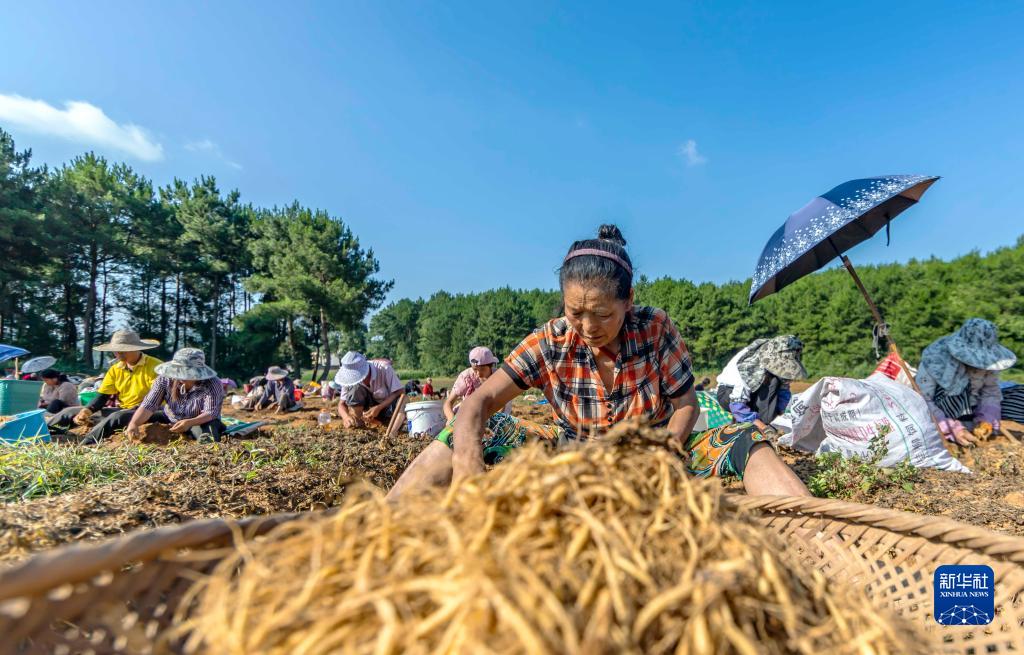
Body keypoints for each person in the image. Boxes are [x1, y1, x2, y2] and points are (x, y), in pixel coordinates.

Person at [389, 225, 809, 500]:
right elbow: (479, 402)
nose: (588, 327)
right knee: (478, 428)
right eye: (576, 312)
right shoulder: (550, 341)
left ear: (628, 301)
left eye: (603, 314)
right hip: (573, 455)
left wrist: (662, 452)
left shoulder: (655, 329)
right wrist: (467, 461)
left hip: (652, 451)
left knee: (746, 441)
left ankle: (819, 541)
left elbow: (686, 407)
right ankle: (385, 522)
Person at [916, 318, 1017, 446]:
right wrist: (952, 429)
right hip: (940, 410)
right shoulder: (935, 360)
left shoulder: (989, 364)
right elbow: (922, 400)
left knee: (1018, 395)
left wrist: (986, 419)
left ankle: (972, 422)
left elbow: (990, 391)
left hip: (971, 408)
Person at [48, 330, 162, 444]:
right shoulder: (116, 369)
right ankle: (42, 431)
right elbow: (103, 396)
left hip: (147, 411)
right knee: (70, 411)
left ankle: (87, 443)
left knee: (117, 416)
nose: (118, 354)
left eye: (123, 351)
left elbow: (155, 398)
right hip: (123, 409)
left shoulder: (156, 367)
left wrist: (134, 410)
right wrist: (87, 410)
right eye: (116, 351)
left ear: (136, 348)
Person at [124, 348, 226, 443]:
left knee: (207, 436)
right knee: (121, 418)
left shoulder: (212, 383)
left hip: (199, 420)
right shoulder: (164, 379)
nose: (182, 376)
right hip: (170, 416)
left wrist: (189, 422)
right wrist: (134, 423)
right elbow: (149, 404)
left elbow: (210, 412)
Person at [715, 336, 806, 436]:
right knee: (773, 382)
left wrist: (780, 415)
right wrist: (763, 427)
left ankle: (764, 424)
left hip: (750, 396)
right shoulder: (749, 366)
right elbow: (737, 406)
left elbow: (784, 390)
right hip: (728, 394)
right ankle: (757, 428)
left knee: (776, 381)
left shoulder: (777, 362)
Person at [334, 351, 405, 429]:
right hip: (366, 412)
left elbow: (400, 391)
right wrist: (346, 417)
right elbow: (341, 404)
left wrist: (379, 407)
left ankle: (393, 426)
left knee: (404, 399)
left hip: (388, 407)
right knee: (355, 388)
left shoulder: (384, 368)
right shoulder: (349, 380)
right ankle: (359, 424)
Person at [443, 347, 512, 420]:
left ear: (490, 366)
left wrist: (493, 422)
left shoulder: (498, 377)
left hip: (494, 412)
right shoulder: (466, 377)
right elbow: (448, 402)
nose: (478, 374)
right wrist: (450, 418)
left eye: (482, 369)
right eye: (475, 369)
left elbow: (501, 405)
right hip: (472, 411)